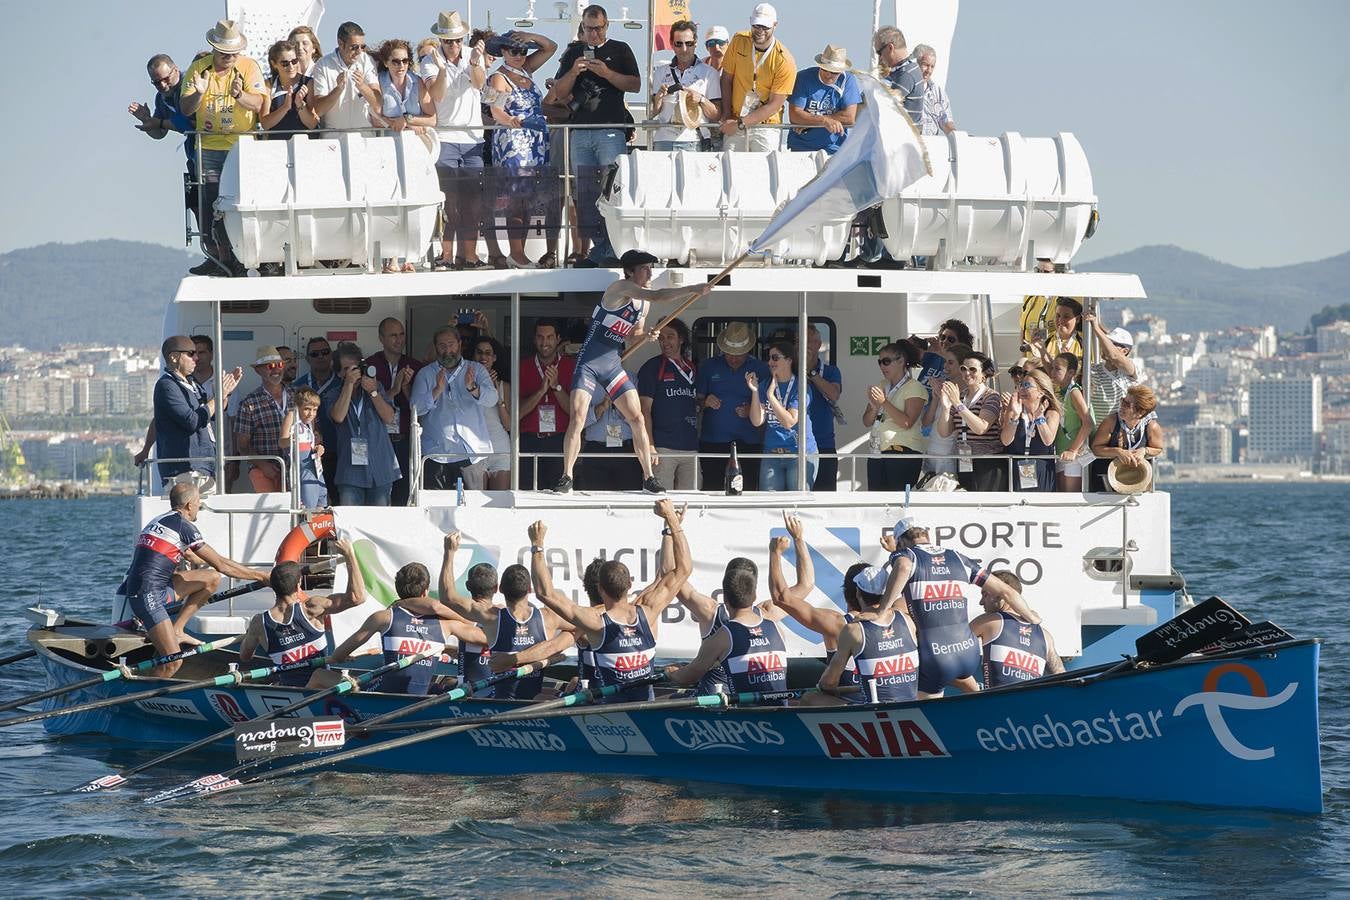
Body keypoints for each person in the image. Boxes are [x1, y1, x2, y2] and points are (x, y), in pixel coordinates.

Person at [555, 250, 712, 494]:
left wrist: (646, 335)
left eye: (651, 267)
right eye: (644, 268)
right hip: (588, 364)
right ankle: (566, 476)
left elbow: (631, 335)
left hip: (611, 364)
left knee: (637, 417)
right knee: (578, 418)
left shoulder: (643, 305)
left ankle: (649, 477)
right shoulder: (619, 288)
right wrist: (693, 288)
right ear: (629, 272)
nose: (650, 273)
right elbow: (659, 295)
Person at [527, 500, 691, 702]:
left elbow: (545, 594)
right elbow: (682, 569)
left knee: (541, 696)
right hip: (645, 710)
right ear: (630, 585)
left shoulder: (594, 623)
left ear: (600, 589)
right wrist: (673, 522)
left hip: (610, 718)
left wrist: (537, 545)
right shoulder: (648, 612)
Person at [121, 483, 271, 676]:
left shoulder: (161, 520)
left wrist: (211, 564)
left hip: (155, 587)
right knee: (173, 662)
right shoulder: (185, 527)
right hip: (147, 595)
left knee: (211, 579)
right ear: (190, 504)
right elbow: (222, 565)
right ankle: (145, 697)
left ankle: (177, 630)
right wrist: (261, 576)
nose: (199, 506)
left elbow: (195, 558)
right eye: (199, 502)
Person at [880, 518, 1039, 698]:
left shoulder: (905, 556)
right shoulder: (958, 558)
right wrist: (1032, 618)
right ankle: (981, 704)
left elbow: (904, 565)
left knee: (930, 718)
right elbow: (1006, 591)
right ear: (927, 535)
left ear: (901, 542)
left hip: (935, 656)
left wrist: (881, 610)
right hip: (968, 655)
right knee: (966, 685)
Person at [551, 5, 641, 267]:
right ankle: (598, 250)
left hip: (611, 131)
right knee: (587, 194)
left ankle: (615, 249)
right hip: (580, 132)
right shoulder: (573, 53)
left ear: (607, 25)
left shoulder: (620, 49)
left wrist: (606, 73)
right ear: (583, 27)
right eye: (589, 29)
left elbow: (635, 85)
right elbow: (558, 92)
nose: (593, 34)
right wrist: (574, 71)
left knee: (614, 191)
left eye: (598, 28)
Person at [322, 555, 488, 695]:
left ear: (398, 591)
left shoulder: (383, 617)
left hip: (384, 694)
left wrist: (343, 657)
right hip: (419, 697)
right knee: (445, 681)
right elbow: (488, 639)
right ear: (425, 592)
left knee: (318, 675)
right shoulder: (446, 624)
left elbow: (337, 656)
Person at [436, 532, 575, 699]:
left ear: (500, 589)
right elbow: (583, 627)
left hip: (502, 706)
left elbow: (447, 597)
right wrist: (556, 645)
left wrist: (449, 552)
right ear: (529, 589)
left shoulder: (492, 618)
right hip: (534, 707)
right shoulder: (549, 618)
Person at [179, 20, 267, 277]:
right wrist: (199, 93)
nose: (230, 58)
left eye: (234, 53)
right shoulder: (198, 69)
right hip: (208, 147)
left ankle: (245, 258)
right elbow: (186, 109)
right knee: (210, 204)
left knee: (242, 202)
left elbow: (259, 104)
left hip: (242, 146)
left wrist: (240, 95)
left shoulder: (249, 67)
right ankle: (220, 257)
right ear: (215, 49)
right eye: (225, 53)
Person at [238, 544, 366, 685]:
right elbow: (357, 598)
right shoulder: (312, 608)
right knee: (337, 679)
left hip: (291, 691)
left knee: (319, 676)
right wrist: (349, 555)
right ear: (299, 584)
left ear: (273, 586)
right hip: (319, 688)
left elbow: (245, 656)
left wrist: (251, 633)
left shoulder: (259, 623)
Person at [665, 555, 790, 697]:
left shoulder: (720, 631)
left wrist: (670, 673)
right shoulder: (774, 625)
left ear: (724, 597)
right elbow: (806, 585)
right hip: (777, 708)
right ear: (754, 595)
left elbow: (688, 677)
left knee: (660, 702)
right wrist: (780, 550)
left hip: (730, 709)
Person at [421, 12, 490, 270]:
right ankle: (446, 256)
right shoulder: (429, 60)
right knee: (450, 201)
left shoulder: (473, 53)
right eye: (449, 41)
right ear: (440, 39)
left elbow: (479, 84)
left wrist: (474, 63)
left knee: (472, 202)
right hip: (445, 137)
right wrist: (441, 69)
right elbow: (437, 96)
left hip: (473, 138)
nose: (454, 45)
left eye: (458, 40)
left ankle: (470, 257)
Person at [487, 31, 559, 269]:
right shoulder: (499, 77)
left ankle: (520, 253)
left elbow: (551, 46)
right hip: (514, 142)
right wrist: (509, 120)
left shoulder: (525, 69)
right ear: (503, 52)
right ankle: (516, 254)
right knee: (515, 198)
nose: (519, 55)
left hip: (536, 141)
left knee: (528, 199)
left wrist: (528, 35)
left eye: (523, 50)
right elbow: (493, 110)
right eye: (514, 50)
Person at [130, 55, 205, 270]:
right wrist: (147, 121)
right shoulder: (161, 99)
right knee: (196, 205)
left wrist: (160, 122)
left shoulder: (190, 85)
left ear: (175, 70)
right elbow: (159, 133)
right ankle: (212, 255)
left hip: (211, 152)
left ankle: (224, 254)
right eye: (156, 82)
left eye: (165, 79)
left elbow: (191, 122)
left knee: (212, 205)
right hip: (193, 157)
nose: (162, 85)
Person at [139, 336, 241, 489]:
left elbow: (211, 415)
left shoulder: (192, 384)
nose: (196, 358)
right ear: (174, 357)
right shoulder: (167, 386)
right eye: (191, 353)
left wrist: (224, 394)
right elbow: (192, 420)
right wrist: (219, 396)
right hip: (184, 470)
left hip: (204, 467)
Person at [816, 562, 921, 705]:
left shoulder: (853, 630)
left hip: (872, 712)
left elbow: (829, 682)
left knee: (807, 699)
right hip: (911, 704)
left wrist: (823, 687)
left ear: (858, 593)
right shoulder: (907, 619)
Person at [411, 326, 499, 490]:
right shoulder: (425, 374)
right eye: (442, 345)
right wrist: (437, 390)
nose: (447, 350)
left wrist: (473, 387)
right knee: (436, 508)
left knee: (472, 508)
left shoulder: (476, 369)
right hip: (436, 453)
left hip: (471, 453)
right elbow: (415, 409)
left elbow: (493, 399)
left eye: (451, 344)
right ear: (436, 347)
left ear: (459, 344)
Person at [696, 322, 770, 491]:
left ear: (748, 350)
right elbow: (696, 401)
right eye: (729, 353)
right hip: (712, 441)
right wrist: (705, 401)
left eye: (739, 354)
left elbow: (769, 405)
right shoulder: (708, 366)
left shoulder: (761, 369)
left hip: (749, 441)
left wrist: (751, 408)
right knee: (711, 490)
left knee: (748, 490)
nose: (734, 358)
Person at [330, 342, 400, 505]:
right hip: (350, 472)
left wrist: (374, 392)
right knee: (350, 524)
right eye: (347, 370)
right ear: (339, 373)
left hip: (380, 468)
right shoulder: (333, 394)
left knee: (378, 525)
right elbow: (338, 416)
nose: (353, 374)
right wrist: (348, 385)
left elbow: (389, 418)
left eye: (355, 368)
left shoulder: (376, 388)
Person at [719, 3, 795, 152]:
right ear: (750, 22)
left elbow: (774, 104)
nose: (760, 31)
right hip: (735, 120)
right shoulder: (738, 40)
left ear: (775, 25)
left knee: (764, 173)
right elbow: (726, 79)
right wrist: (727, 115)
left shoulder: (784, 60)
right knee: (731, 169)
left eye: (765, 27)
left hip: (766, 126)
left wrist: (742, 123)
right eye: (756, 25)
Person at [364, 318, 423, 506]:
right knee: (378, 496)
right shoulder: (369, 364)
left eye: (402, 334)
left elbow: (419, 407)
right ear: (381, 338)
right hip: (378, 440)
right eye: (393, 335)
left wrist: (405, 388)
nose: (399, 340)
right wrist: (394, 390)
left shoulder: (415, 365)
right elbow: (365, 404)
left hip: (404, 440)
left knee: (403, 495)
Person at [970, 570, 1064, 688]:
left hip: (995, 703)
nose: (981, 602)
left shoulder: (990, 621)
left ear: (1002, 593)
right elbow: (1062, 676)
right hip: (1030, 704)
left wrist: (972, 688)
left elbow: (950, 649)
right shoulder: (1045, 636)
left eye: (985, 594)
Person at [637, 317, 699, 490]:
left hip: (690, 446)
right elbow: (644, 410)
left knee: (691, 501)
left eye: (670, 336)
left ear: (681, 339)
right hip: (663, 448)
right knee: (661, 499)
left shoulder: (692, 368)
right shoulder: (652, 367)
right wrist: (649, 445)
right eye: (661, 338)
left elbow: (695, 402)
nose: (665, 342)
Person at [747, 341, 817, 491]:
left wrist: (770, 396)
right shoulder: (765, 384)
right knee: (770, 506)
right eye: (769, 358)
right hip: (771, 454)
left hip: (799, 454)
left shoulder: (801, 387)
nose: (770, 362)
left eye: (775, 357)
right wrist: (754, 391)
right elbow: (757, 420)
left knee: (796, 504)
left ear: (789, 360)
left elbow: (789, 422)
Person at [936, 349, 1005, 491]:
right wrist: (945, 408)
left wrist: (958, 404)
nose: (967, 373)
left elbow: (981, 428)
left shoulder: (991, 396)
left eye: (973, 369)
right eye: (963, 369)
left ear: (983, 373)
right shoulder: (960, 396)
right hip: (964, 460)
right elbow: (944, 432)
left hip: (987, 462)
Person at [518, 320, 575, 489]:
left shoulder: (570, 366)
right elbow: (517, 413)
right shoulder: (522, 366)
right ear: (534, 339)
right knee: (527, 493)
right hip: (529, 440)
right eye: (540, 337)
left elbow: (573, 412)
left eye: (549, 337)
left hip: (559, 440)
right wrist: (541, 391)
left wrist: (556, 386)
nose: (545, 342)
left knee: (558, 494)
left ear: (558, 339)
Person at [864, 340, 926, 492]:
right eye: (879, 362)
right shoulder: (882, 384)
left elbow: (907, 422)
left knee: (898, 501)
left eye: (886, 361)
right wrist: (874, 408)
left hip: (902, 452)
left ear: (901, 361)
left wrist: (884, 402)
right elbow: (866, 421)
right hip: (877, 451)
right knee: (877, 501)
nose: (882, 366)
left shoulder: (914, 387)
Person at [650, 20, 721, 151]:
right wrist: (659, 98)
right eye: (679, 44)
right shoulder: (660, 72)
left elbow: (717, 114)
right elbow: (651, 113)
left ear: (696, 44)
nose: (684, 49)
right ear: (672, 44)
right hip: (664, 139)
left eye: (689, 44)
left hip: (694, 139)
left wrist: (701, 99)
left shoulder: (709, 73)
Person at [233, 346, 292, 494]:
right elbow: (242, 446)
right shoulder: (249, 403)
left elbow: (313, 430)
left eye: (279, 365)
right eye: (270, 366)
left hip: (296, 470)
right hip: (265, 472)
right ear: (258, 370)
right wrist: (262, 464)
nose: (276, 370)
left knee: (297, 514)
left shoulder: (298, 396)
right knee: (270, 516)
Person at [1088, 384, 1164, 493]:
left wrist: (1144, 450)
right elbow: (1096, 448)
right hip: (1106, 482)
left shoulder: (1152, 427)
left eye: (1127, 404)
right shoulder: (1110, 422)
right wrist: (1118, 452)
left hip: (1137, 482)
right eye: (1122, 401)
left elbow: (1158, 448)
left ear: (1140, 412)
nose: (1122, 406)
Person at [786, 45, 860, 155]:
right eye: (825, 69)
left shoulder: (848, 80)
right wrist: (824, 121)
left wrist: (812, 121)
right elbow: (795, 116)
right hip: (801, 147)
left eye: (834, 72)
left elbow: (849, 117)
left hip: (835, 148)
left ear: (841, 71)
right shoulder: (803, 77)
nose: (828, 75)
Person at [293, 337, 343, 502]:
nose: (321, 356)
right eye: (315, 354)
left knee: (336, 502)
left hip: (338, 452)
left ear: (331, 355)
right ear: (307, 359)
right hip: (308, 457)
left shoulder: (342, 384)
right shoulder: (298, 386)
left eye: (325, 352)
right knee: (312, 505)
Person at [310, 21, 383, 131]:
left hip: (364, 135)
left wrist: (362, 87)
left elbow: (378, 103)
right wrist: (338, 89)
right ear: (340, 43)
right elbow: (319, 110)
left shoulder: (367, 60)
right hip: (333, 137)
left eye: (362, 47)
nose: (359, 52)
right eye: (354, 47)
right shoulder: (322, 64)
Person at [999, 367, 1061, 493]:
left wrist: (1039, 417)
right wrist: (1015, 417)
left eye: (1027, 385)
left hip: (1042, 470)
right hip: (1017, 469)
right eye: (1021, 385)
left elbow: (1048, 440)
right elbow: (1005, 441)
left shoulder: (1052, 413)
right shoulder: (1014, 410)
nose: (1021, 388)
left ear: (1041, 392)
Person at [801, 324, 842, 491]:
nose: (803, 345)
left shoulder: (831, 371)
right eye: (798, 341)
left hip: (823, 444)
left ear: (818, 344)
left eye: (808, 341)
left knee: (824, 496)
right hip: (792, 446)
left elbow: (833, 395)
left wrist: (811, 372)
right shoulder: (787, 369)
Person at [1084, 313, 1146, 423]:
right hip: (1097, 434)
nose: (1105, 346)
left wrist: (1096, 328)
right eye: (1107, 342)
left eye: (1112, 344)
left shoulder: (1131, 371)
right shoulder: (1093, 369)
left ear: (1125, 351)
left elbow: (1114, 356)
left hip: (1119, 432)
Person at [472, 337, 513, 489]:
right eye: (479, 352)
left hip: (500, 449)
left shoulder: (505, 386)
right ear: (473, 356)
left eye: (488, 353)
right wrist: (481, 387)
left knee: (499, 503)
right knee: (475, 504)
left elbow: (509, 425)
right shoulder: (465, 383)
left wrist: (497, 396)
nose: (483, 357)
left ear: (494, 358)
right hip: (474, 449)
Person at [1050, 352, 1093, 492]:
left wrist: (1073, 450)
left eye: (1057, 369)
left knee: (1071, 496)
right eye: (1052, 368)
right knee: (1062, 496)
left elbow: (1088, 423)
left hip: (1073, 455)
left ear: (1071, 373)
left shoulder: (1074, 392)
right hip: (1061, 452)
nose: (1052, 372)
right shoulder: (1060, 392)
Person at [920, 341, 964, 477]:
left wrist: (949, 404)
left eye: (950, 362)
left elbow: (948, 431)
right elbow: (926, 423)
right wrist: (936, 398)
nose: (945, 366)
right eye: (945, 362)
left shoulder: (965, 394)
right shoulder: (943, 387)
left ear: (962, 366)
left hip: (948, 458)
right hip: (930, 453)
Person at [279, 387, 328, 508]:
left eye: (315, 410)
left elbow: (312, 442)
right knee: (308, 501)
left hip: (315, 466)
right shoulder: (291, 415)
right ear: (298, 407)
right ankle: (307, 520)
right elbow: (281, 442)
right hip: (300, 466)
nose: (311, 413)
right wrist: (290, 440)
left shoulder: (310, 421)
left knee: (321, 496)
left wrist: (318, 448)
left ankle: (319, 521)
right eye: (307, 409)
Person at [260, 40, 318, 137]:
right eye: (285, 63)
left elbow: (312, 124)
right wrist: (285, 107)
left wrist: (300, 105)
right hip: (277, 146)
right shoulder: (269, 85)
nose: (291, 67)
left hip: (304, 144)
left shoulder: (308, 83)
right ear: (274, 64)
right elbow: (265, 124)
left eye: (294, 61)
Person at [872, 25, 923, 125]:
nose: (880, 58)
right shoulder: (910, 68)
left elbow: (884, 107)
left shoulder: (905, 74)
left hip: (903, 137)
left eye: (879, 52)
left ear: (890, 47)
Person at [1026, 297, 1083, 370]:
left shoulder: (1085, 341)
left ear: (1077, 319)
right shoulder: (1044, 341)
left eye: (1066, 317)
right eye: (1058, 315)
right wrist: (1041, 350)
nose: (1061, 320)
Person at [913, 44, 955, 136]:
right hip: (910, 144)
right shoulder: (905, 87)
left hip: (932, 145)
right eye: (925, 65)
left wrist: (957, 137)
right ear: (915, 63)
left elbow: (946, 121)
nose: (929, 70)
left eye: (932, 66)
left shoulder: (938, 92)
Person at [700, 25, 731, 150]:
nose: (716, 47)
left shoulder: (735, 69)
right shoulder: (699, 67)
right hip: (702, 127)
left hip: (727, 127)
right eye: (711, 43)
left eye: (720, 42)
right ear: (706, 47)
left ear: (728, 44)